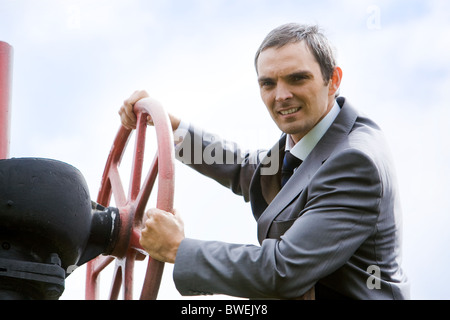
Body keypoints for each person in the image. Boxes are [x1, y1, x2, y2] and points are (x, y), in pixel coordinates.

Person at [118, 23, 409, 299]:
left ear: (332, 80)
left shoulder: (355, 162)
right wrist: (173, 131)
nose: (281, 95)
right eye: (268, 83)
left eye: (297, 78)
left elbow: (283, 270)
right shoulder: (311, 139)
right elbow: (246, 169)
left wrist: (178, 249)